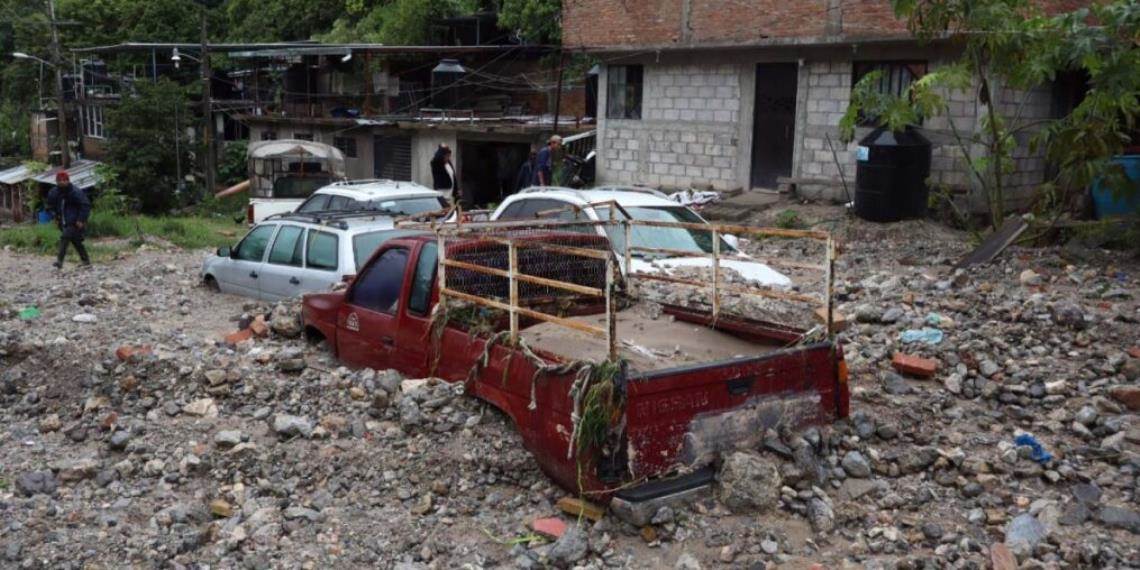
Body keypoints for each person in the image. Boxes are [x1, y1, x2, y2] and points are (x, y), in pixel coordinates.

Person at [46, 170, 91, 269]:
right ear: (56, 181)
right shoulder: (54, 192)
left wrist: (81, 219)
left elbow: (85, 205)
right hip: (62, 221)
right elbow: (50, 206)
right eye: (59, 180)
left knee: (65, 237)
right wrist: (54, 216)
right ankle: (86, 260)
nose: (62, 182)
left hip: (74, 221)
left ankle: (59, 261)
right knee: (76, 241)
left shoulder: (75, 192)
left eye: (64, 180)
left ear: (68, 181)